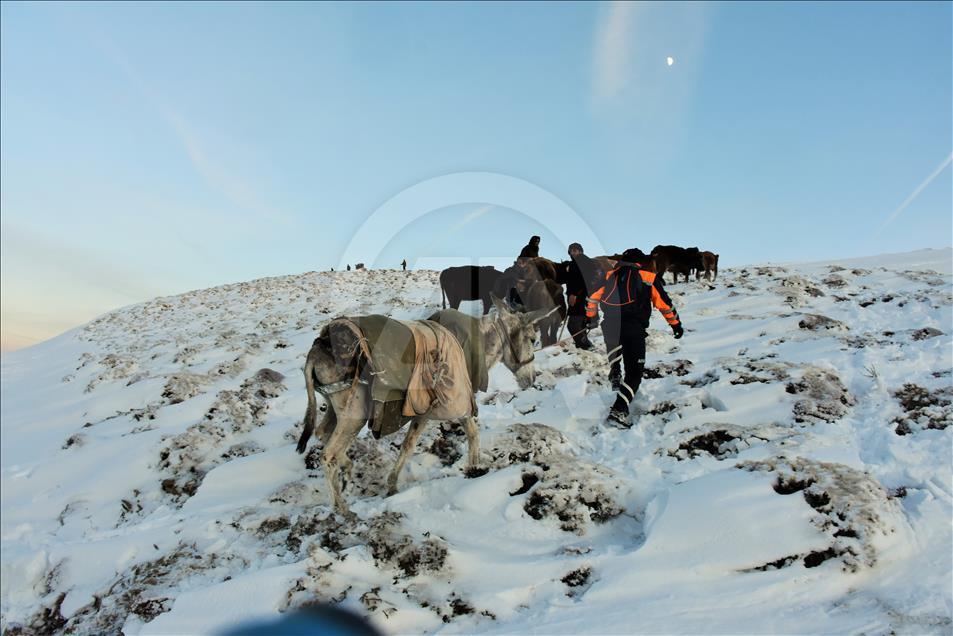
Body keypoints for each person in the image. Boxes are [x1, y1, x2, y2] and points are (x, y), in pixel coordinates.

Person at [586, 248, 684, 428]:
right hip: (633, 329)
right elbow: (664, 305)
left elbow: (592, 298)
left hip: (610, 326)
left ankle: (615, 369)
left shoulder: (609, 275)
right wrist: (676, 325)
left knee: (614, 345)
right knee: (635, 373)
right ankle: (619, 411)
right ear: (640, 262)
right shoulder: (647, 277)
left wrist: (591, 318)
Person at [563, 243, 599, 350]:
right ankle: (582, 345)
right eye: (571, 251)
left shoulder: (583, 262)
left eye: (575, 250)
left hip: (581, 297)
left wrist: (574, 294)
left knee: (573, 325)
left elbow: (585, 280)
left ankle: (585, 345)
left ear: (580, 251)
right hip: (579, 297)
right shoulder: (576, 263)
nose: (573, 252)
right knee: (579, 323)